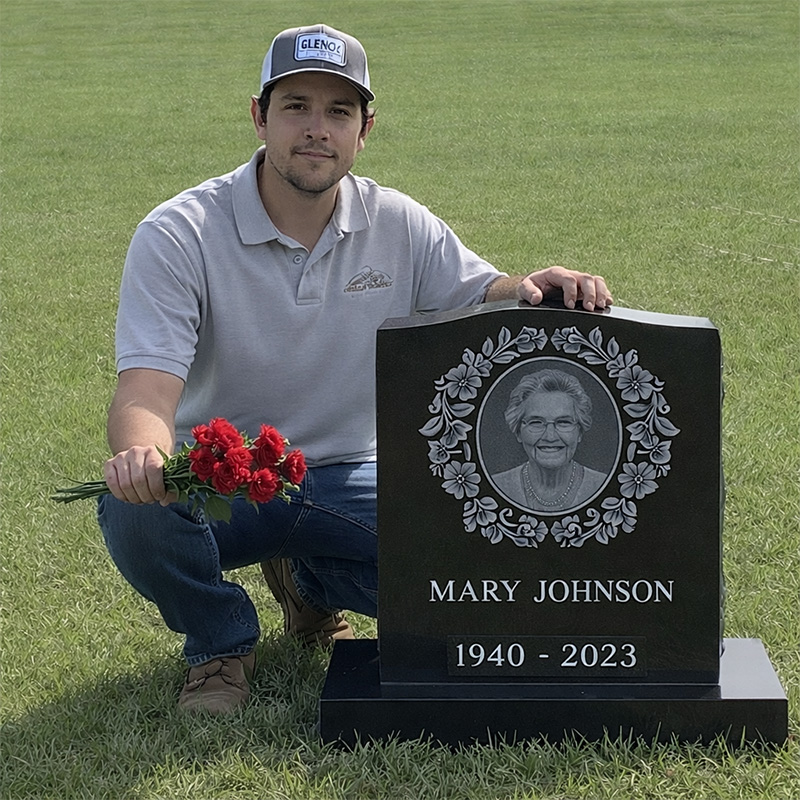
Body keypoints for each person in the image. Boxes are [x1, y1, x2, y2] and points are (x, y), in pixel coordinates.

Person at [98, 23, 613, 715]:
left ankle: (309, 585)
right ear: (259, 116)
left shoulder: (398, 222)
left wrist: (535, 284)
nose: (317, 129)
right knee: (135, 516)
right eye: (297, 107)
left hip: (350, 476)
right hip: (228, 482)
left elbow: (481, 293)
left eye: (339, 112)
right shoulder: (179, 232)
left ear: (364, 130)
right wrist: (146, 455)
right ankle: (219, 648)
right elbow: (145, 390)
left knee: (476, 587)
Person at [492, 369, 609, 511]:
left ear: (579, 432)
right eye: (536, 422)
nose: (550, 436)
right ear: (518, 432)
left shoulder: (607, 487)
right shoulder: (494, 487)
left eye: (563, 422)